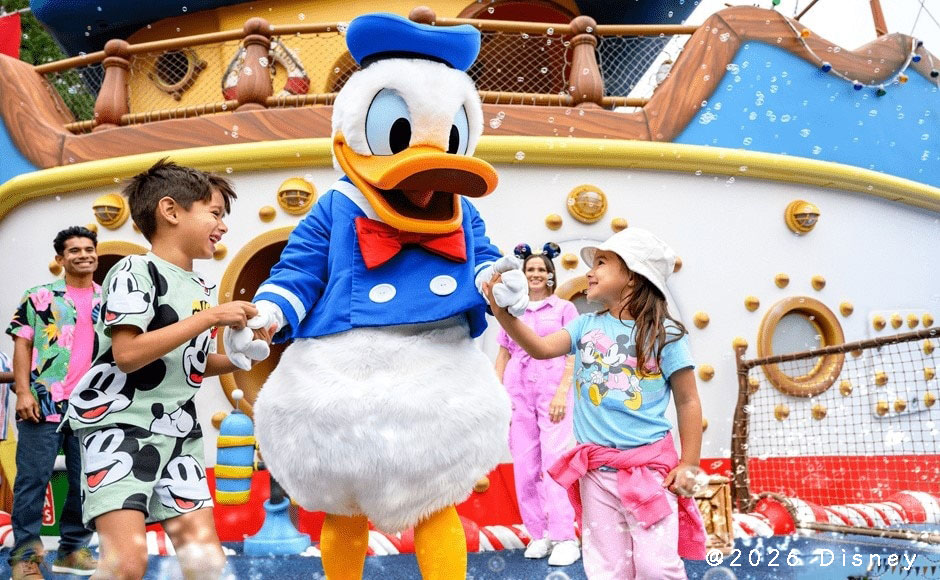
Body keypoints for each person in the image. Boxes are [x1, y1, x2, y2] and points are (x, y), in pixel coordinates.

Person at [62, 160, 271, 580]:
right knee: (126, 564)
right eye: (215, 213)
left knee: (206, 565)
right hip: (119, 427)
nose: (223, 226)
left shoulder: (200, 285)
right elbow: (128, 354)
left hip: (178, 433)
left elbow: (188, 362)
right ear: (171, 211)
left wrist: (244, 356)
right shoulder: (134, 271)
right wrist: (210, 318)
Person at [484, 227, 707, 579]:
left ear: (632, 276)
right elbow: (540, 348)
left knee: (655, 567)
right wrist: (501, 312)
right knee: (606, 567)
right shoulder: (584, 325)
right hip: (596, 472)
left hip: (649, 472)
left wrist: (690, 463)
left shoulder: (666, 334)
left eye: (601, 263)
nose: (590, 271)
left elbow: (688, 400)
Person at [5, 226, 101, 579]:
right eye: (74, 250)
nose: (83, 255)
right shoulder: (39, 297)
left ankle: (73, 550)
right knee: (32, 481)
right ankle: (25, 558)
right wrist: (23, 391)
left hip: (91, 405)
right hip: (42, 402)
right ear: (60, 258)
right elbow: (22, 344)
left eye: (88, 249)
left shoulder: (109, 301)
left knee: (85, 482)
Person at [494, 243, 580, 566]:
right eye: (530, 269)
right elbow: (503, 354)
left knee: (554, 461)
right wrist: (498, 394)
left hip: (553, 389)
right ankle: (539, 533)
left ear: (550, 275)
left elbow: (573, 353)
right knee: (525, 465)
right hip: (518, 390)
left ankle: (564, 536)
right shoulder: (512, 311)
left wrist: (562, 392)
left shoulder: (564, 309)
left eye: (541, 269)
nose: (535, 274)